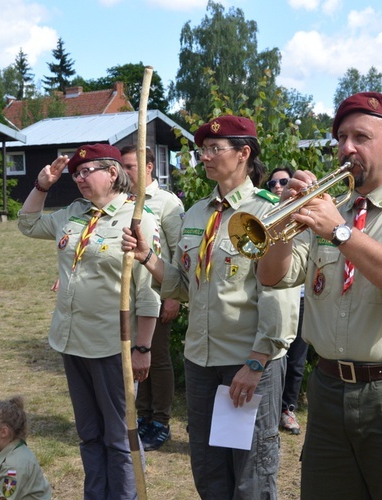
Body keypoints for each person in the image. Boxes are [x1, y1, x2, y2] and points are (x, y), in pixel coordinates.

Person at [256, 92, 382, 498]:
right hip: (328, 391)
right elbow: (272, 276)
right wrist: (282, 219)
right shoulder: (328, 211)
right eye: (342, 137)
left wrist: (340, 233)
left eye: (361, 137)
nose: (347, 148)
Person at [122, 115, 297, 499]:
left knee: (250, 469)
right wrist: (147, 256)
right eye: (203, 150)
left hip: (246, 362)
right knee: (208, 466)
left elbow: (277, 291)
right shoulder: (197, 213)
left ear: (243, 154)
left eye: (214, 149)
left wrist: (256, 362)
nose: (204, 157)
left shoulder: (268, 211)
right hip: (200, 361)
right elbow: (186, 286)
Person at [18, 144, 160, 499]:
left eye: (87, 171)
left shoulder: (136, 218)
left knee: (119, 436)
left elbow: (148, 291)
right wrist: (42, 185)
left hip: (114, 345)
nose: (79, 178)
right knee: (89, 433)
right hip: (71, 340)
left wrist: (143, 347)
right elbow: (28, 223)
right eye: (76, 173)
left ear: (112, 173)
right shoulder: (74, 213)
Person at [120, 145, 184, 451]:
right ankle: (143, 414)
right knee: (137, 357)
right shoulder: (123, 202)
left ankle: (160, 420)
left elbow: (180, 250)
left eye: (130, 166)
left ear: (148, 167)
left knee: (156, 359)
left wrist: (174, 298)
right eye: (122, 166)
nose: (124, 172)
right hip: (129, 297)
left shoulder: (166, 202)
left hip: (158, 293)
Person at [266, 167, 307, 436]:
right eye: (274, 182)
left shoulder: (305, 210)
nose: (279, 186)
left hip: (301, 296)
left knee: (296, 359)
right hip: (275, 294)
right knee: (274, 357)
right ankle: (270, 409)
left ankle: (288, 408)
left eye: (284, 181)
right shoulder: (267, 212)